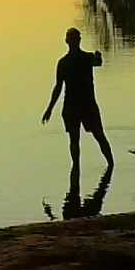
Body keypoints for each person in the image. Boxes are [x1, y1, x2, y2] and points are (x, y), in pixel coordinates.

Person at [41, 27, 114, 185]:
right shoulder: (71, 61)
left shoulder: (76, 60)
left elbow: (98, 63)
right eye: (72, 39)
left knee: (95, 136)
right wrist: (49, 109)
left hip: (82, 105)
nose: (73, 42)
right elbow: (58, 87)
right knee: (82, 139)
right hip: (76, 106)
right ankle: (88, 168)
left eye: (73, 39)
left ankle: (106, 167)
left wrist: (99, 57)